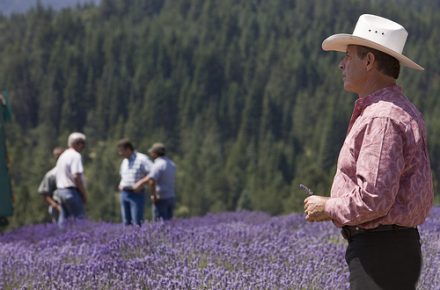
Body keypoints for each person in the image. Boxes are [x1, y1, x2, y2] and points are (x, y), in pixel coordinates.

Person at [303, 14, 433, 290]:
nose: (341, 64)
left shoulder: (381, 118)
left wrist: (326, 206)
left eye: (349, 56)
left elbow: (374, 199)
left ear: (369, 61)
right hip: (393, 250)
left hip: (380, 253)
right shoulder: (401, 110)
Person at [133, 142, 176, 221]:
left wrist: (153, 196)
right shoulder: (171, 164)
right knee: (169, 222)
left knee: (159, 222)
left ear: (155, 153)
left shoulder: (157, 165)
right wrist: (141, 183)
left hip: (160, 198)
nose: (151, 154)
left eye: (152, 152)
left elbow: (152, 180)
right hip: (170, 196)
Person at [117, 138, 152, 226]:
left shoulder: (142, 159)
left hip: (136, 193)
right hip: (124, 193)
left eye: (121, 151)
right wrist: (121, 185)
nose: (120, 154)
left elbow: (153, 173)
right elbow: (123, 175)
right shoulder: (124, 161)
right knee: (126, 222)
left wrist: (141, 183)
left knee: (137, 222)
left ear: (128, 149)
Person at [55, 132, 88, 223]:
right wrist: (84, 194)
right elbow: (76, 176)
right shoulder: (76, 156)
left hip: (61, 191)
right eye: (82, 144)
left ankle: (59, 236)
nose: (83, 147)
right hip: (71, 191)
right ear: (77, 143)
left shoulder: (63, 156)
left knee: (64, 219)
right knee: (79, 219)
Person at [37, 147, 64, 223]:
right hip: (56, 206)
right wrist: (56, 206)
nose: (59, 157)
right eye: (57, 155)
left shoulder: (70, 173)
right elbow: (45, 194)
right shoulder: (51, 175)